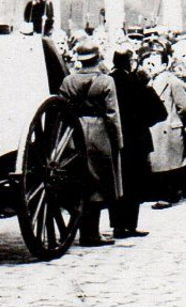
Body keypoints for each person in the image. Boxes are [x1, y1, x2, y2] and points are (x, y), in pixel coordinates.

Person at [59, 37, 123, 247]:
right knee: (98, 182)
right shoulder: (106, 81)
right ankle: (91, 234)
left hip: (74, 133)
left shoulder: (68, 81)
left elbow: (61, 109)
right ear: (98, 58)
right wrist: (117, 140)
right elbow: (112, 115)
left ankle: (81, 230)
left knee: (80, 180)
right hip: (99, 133)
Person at [108, 44, 165, 238]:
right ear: (130, 62)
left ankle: (117, 225)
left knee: (116, 182)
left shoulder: (107, 80)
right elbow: (159, 113)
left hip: (112, 140)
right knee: (134, 183)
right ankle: (129, 225)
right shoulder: (135, 82)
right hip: (136, 140)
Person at [145, 50, 186, 210]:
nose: (150, 67)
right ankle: (166, 194)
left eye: (154, 64)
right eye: (149, 64)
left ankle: (169, 195)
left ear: (164, 65)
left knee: (170, 163)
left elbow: (184, 106)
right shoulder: (150, 82)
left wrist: (176, 120)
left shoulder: (172, 82)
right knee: (159, 162)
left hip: (169, 127)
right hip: (156, 127)